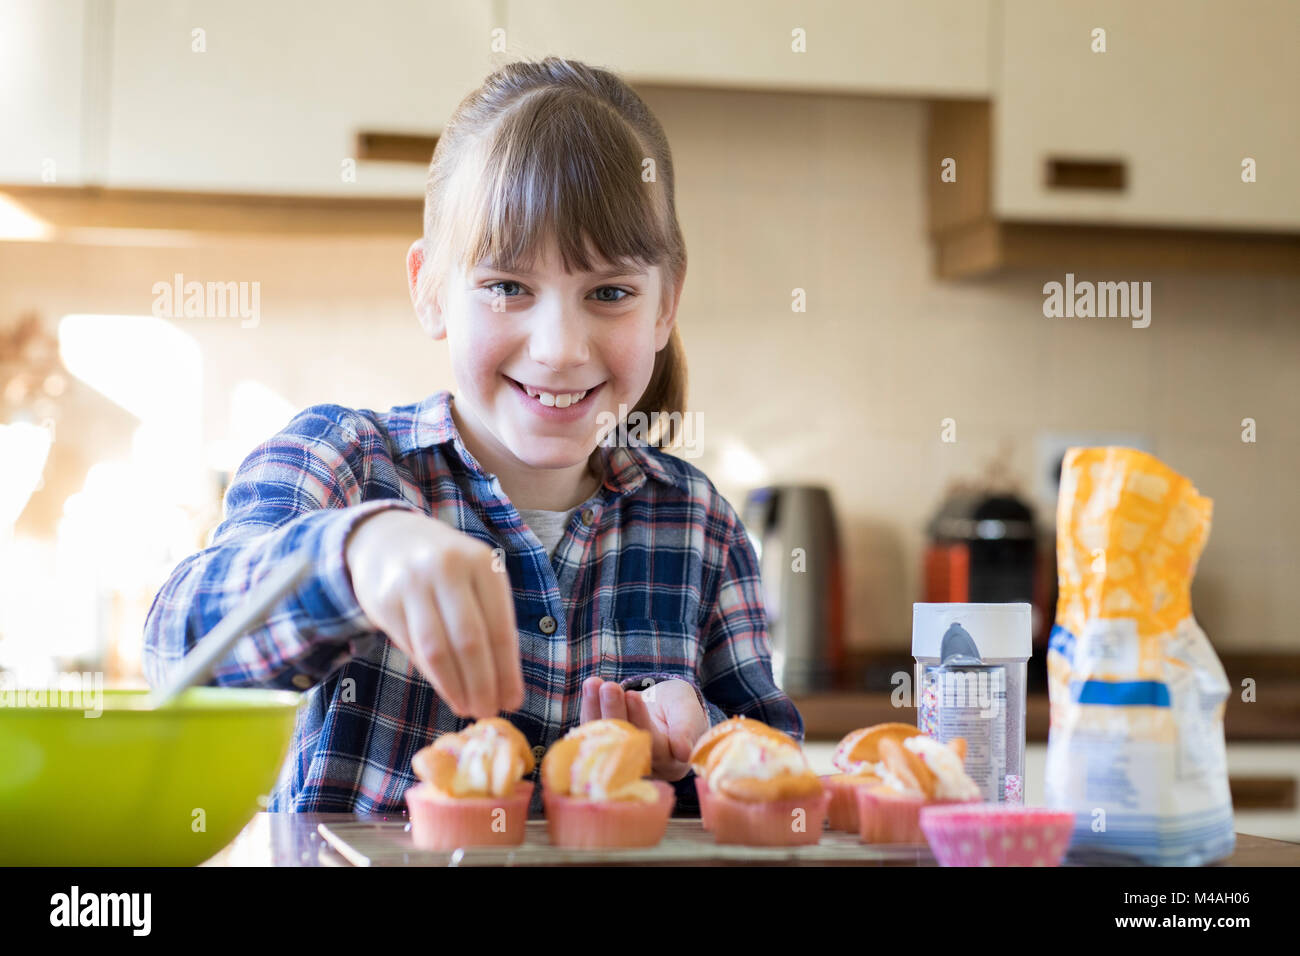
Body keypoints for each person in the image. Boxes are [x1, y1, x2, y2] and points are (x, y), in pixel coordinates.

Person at [143, 57, 802, 815]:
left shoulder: (700, 525)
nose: (559, 347)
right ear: (430, 290)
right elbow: (174, 656)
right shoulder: (343, 462)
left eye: (610, 293)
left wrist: (705, 743)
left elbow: (783, 790)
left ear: (665, 306)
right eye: (507, 287)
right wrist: (352, 554)